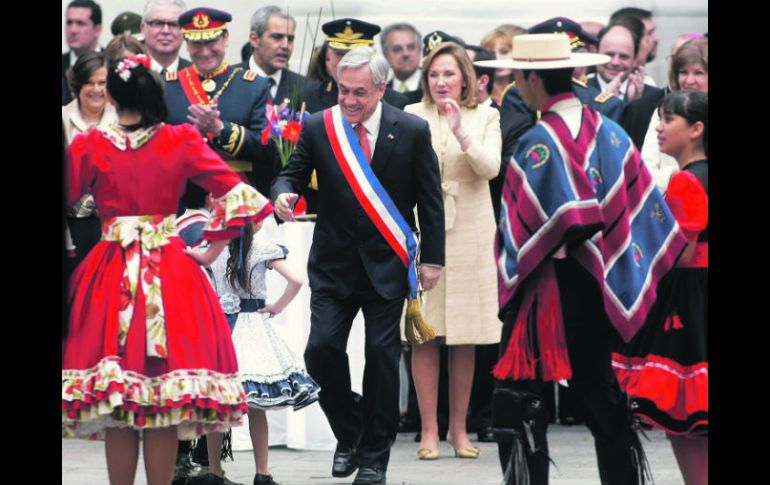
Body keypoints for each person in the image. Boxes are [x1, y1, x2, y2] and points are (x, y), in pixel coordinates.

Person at [62, 54, 273, 485]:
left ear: (112, 97)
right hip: (170, 272)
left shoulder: (90, 145)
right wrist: (212, 249)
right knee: (161, 400)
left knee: (119, 399)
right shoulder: (181, 140)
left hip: (110, 271)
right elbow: (242, 197)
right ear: (156, 94)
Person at [485, 33, 687, 484]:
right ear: (574, 75)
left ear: (534, 79)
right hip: (602, 288)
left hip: (545, 294)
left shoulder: (535, 144)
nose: (517, 83)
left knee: (518, 402)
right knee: (604, 401)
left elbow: (519, 230)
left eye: (519, 75)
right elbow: (643, 212)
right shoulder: (611, 135)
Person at [271, 46, 445, 485]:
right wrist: (283, 194)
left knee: (381, 359)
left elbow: (430, 200)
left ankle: (373, 460)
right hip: (333, 265)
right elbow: (291, 173)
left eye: (360, 93)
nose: (349, 100)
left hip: (387, 265)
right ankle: (350, 431)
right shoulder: (318, 126)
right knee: (320, 352)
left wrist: (433, 260)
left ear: (381, 89)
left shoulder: (410, 130)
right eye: (344, 91)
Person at [404, 41, 501, 461]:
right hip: (423, 228)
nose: (441, 82)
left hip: (473, 230)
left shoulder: (487, 114)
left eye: (449, 74)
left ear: (465, 77)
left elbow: (490, 168)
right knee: (425, 332)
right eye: (434, 75)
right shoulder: (411, 114)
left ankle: (459, 429)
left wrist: (462, 130)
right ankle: (429, 429)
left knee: (466, 335)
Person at [612, 90, 708, 485]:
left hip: (688, 301)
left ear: (697, 129)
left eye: (669, 119)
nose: (658, 126)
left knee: (684, 416)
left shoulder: (686, 182)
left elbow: (679, 255)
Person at [206, 220, 321, 485]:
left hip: (221, 329)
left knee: (217, 405)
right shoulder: (261, 248)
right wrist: (278, 306)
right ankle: (262, 472)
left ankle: (214, 471)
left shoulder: (215, 247)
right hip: (253, 326)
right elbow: (296, 280)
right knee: (257, 407)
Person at [163, 7, 273, 197]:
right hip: (181, 198)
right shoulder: (167, 86)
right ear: (186, 44)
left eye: (211, 41)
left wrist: (220, 129)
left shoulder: (254, 86)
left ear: (225, 38)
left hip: (239, 197)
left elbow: (266, 148)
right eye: (197, 43)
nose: (205, 51)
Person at [62, 51, 118, 268]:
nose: (96, 89)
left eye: (102, 83)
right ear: (77, 85)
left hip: (116, 227)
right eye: (89, 83)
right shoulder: (64, 118)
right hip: (73, 228)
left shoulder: (124, 118)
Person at [639, 37, 708, 191]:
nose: (689, 80)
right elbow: (646, 169)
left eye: (698, 73)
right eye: (683, 72)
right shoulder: (664, 110)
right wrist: (675, 177)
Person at [303, 18, 410, 113]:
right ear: (328, 57)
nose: (347, 61)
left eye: (355, 54)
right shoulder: (309, 97)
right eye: (339, 54)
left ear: (373, 56)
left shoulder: (395, 102)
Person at [242, 5, 314, 105]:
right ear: (255, 40)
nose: (285, 46)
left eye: (290, 39)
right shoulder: (230, 81)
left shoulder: (306, 88)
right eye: (277, 37)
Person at [63, 0, 103, 104]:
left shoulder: (112, 62)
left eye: (80, 23)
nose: (73, 30)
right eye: (69, 23)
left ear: (97, 30)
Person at [140, 0, 191, 75]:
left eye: (174, 24)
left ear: (185, 31)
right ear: (143, 29)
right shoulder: (129, 73)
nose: (165, 31)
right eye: (158, 23)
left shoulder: (198, 76)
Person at [480, 25, 526, 105]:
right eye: (490, 53)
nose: (497, 58)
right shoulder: (478, 95)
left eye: (504, 52)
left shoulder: (528, 95)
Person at [382, 23, 424, 104]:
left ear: (419, 50)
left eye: (411, 47)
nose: (405, 54)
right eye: (397, 49)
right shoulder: (381, 94)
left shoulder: (432, 89)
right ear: (385, 54)